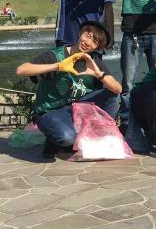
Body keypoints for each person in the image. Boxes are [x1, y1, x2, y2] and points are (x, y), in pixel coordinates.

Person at [16, 21, 121, 158]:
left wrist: (99, 75)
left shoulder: (94, 62)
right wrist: (57, 66)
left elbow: (117, 89)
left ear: (96, 47)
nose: (88, 42)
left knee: (113, 96)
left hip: (77, 110)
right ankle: (56, 139)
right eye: (88, 35)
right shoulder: (55, 55)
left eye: (94, 42)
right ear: (80, 33)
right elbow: (21, 70)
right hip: (50, 111)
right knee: (67, 138)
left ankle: (94, 136)